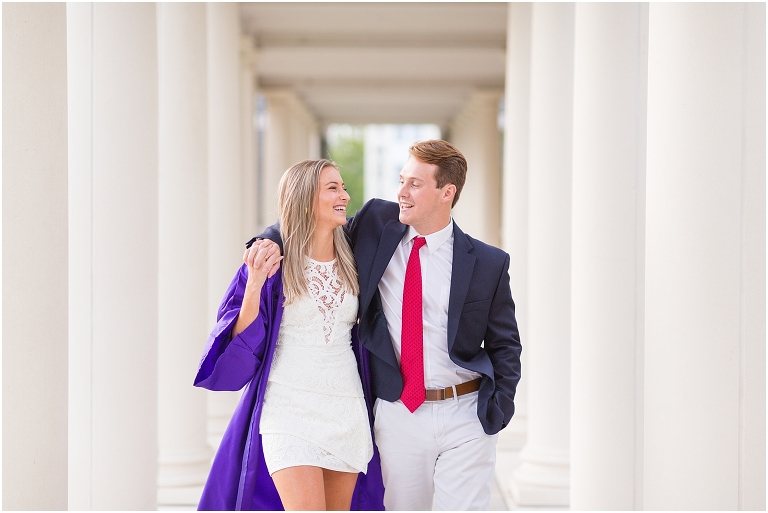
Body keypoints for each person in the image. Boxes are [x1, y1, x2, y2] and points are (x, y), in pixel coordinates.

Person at [257, 140, 522, 510]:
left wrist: (499, 408)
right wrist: (267, 240)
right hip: (400, 411)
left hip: (466, 411)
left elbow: (505, 344)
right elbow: (310, 222)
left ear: (447, 192)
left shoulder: (488, 262)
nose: (401, 192)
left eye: (415, 183)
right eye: (401, 180)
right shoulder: (375, 225)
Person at [194, 159, 385, 511]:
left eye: (343, 186)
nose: (344, 194)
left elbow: (397, 214)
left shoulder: (354, 255)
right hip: (288, 407)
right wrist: (253, 284)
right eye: (332, 188)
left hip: (345, 407)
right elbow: (241, 336)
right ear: (304, 197)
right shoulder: (272, 261)